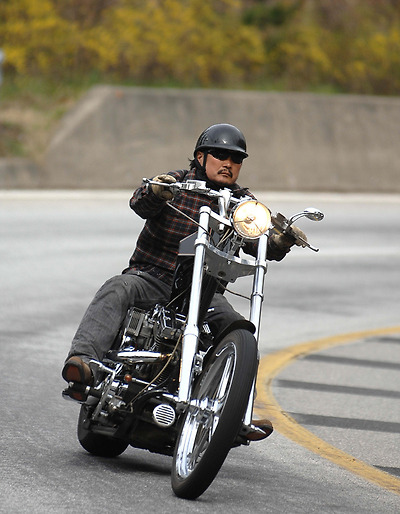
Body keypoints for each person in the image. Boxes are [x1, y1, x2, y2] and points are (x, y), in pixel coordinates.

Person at [62, 123, 305, 441]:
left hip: (203, 293)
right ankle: (84, 363)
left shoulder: (243, 203)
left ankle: (231, 410)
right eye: (220, 155)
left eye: (236, 158)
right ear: (201, 156)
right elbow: (140, 203)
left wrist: (281, 239)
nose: (228, 163)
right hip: (151, 276)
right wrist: (156, 191)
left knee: (237, 327)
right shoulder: (177, 182)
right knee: (117, 288)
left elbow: (261, 243)